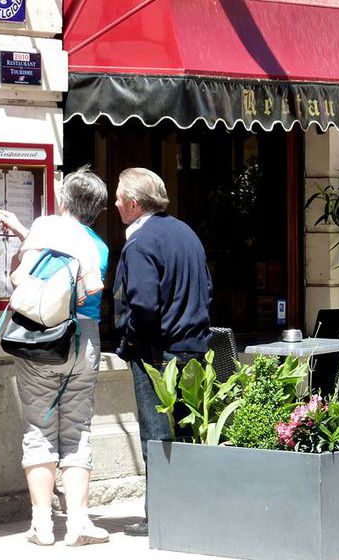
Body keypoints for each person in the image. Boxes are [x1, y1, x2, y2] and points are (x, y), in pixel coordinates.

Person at [0, 166, 110, 547]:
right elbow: (86, 291)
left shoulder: (45, 229)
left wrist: (22, 240)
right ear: (97, 210)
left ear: (64, 199)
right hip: (84, 340)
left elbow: (20, 276)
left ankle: (42, 526)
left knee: (39, 428)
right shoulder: (98, 246)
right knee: (78, 429)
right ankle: (78, 523)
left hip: (40, 338)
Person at [112, 167, 212, 537]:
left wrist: (132, 343)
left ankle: (162, 516)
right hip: (192, 348)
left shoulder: (140, 242)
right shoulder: (186, 234)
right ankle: (189, 512)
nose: (116, 203)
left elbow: (143, 306)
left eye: (120, 197)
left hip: (157, 353)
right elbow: (207, 289)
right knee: (187, 431)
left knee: (157, 436)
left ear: (135, 204)